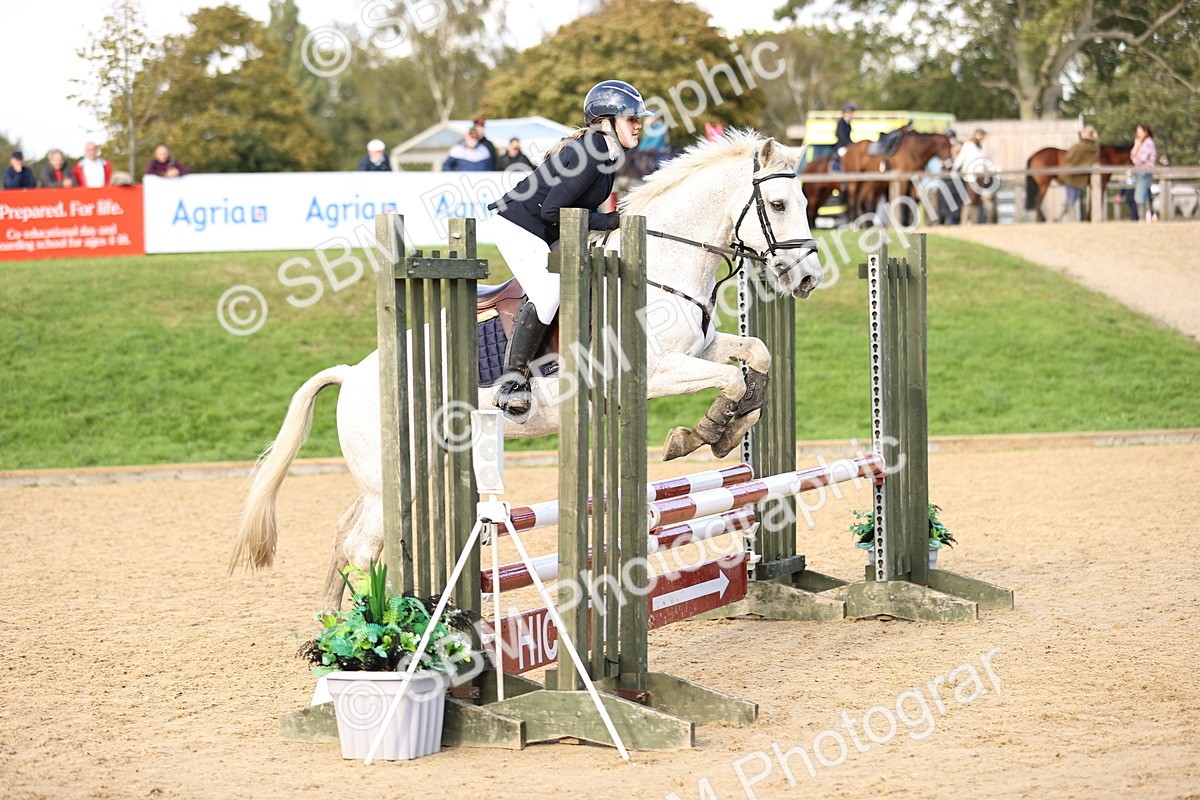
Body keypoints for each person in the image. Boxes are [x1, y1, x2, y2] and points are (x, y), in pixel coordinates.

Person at [483, 79, 649, 415]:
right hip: (520, 226)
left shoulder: (607, 153)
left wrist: (608, 221)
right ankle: (512, 382)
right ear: (607, 121)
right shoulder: (592, 152)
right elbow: (552, 211)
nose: (638, 125)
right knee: (548, 292)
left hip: (546, 228)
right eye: (632, 118)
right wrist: (608, 221)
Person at [952, 128, 996, 224]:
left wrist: (992, 169)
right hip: (971, 176)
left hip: (981, 176)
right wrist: (954, 169)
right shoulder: (968, 145)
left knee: (976, 200)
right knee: (970, 200)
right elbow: (960, 159)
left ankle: (974, 222)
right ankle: (965, 221)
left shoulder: (981, 147)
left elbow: (983, 161)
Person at [1060, 125, 1099, 222]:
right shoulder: (1095, 149)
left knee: (1070, 200)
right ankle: (1060, 217)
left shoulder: (1078, 147)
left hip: (1071, 176)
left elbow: (1068, 157)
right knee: (1073, 199)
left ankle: (1068, 219)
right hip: (1082, 179)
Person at [1131, 123, 1157, 223]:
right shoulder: (1142, 143)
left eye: (1139, 132)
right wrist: (1136, 146)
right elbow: (1132, 156)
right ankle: (1148, 217)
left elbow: (1140, 159)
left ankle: (1142, 218)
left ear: (1145, 132)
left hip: (1144, 172)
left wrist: (1136, 152)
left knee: (1139, 196)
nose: (1137, 134)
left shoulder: (1148, 143)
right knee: (1145, 195)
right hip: (1140, 171)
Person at [831, 103, 855, 172]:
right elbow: (842, 136)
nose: (850, 115)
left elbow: (848, 137)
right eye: (848, 113)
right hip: (841, 146)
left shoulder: (848, 124)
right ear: (845, 113)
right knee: (845, 154)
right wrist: (850, 144)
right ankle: (840, 170)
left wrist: (853, 144)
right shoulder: (841, 122)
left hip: (846, 145)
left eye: (851, 113)